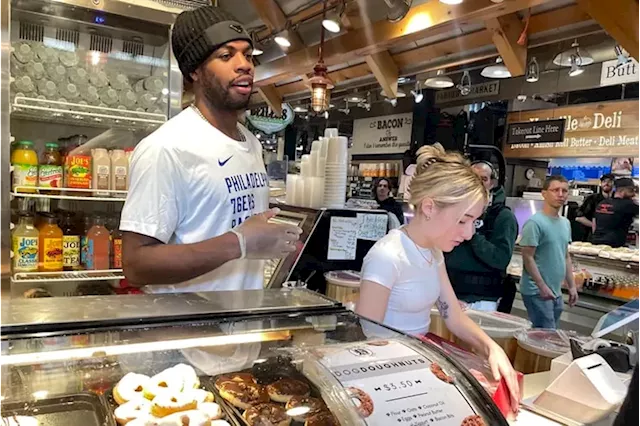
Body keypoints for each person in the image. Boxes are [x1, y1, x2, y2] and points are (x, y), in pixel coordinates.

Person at [120, 6, 301, 293]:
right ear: (194, 71)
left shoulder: (250, 142)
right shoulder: (166, 148)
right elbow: (135, 264)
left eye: (248, 54)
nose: (245, 65)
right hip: (188, 330)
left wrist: (269, 243)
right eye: (226, 55)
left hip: (242, 326)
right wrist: (239, 243)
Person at [356, 144, 520, 413]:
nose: (468, 234)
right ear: (430, 207)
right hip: (387, 387)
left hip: (416, 372)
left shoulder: (433, 252)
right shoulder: (387, 256)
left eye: (473, 223)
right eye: (463, 221)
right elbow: (364, 341)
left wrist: (491, 348)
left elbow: (452, 315)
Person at [445, 160, 518, 311]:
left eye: (483, 179)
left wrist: (475, 237)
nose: (478, 183)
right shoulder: (453, 211)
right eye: (473, 177)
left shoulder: (502, 217)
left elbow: (501, 259)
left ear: (492, 183)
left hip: (481, 301)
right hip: (449, 293)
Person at [520, 176, 578, 329]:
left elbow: (565, 256)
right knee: (546, 336)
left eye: (564, 191)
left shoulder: (565, 223)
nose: (561, 194)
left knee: (548, 334)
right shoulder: (535, 223)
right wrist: (541, 286)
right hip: (537, 291)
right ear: (544, 193)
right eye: (555, 190)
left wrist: (571, 286)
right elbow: (527, 256)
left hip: (555, 291)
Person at [592, 178, 640, 248]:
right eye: (631, 191)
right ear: (624, 191)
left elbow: (594, 222)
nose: (633, 194)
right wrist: (638, 196)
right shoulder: (628, 204)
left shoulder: (602, 203)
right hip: (613, 245)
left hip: (596, 242)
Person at [575, 174, 614, 242]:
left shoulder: (617, 200)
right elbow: (579, 217)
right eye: (604, 181)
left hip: (612, 238)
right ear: (601, 184)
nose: (606, 183)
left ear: (614, 184)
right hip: (591, 238)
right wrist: (595, 226)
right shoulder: (592, 199)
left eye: (609, 181)